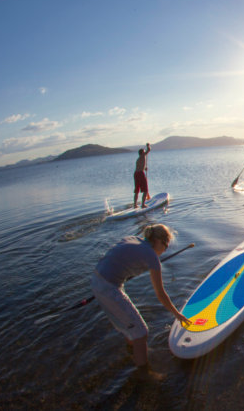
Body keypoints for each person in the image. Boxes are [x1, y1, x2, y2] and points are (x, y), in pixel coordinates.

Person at [90, 224, 191, 378]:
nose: (165, 250)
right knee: (141, 332)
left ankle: (134, 350)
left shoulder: (134, 239)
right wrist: (178, 315)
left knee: (130, 327)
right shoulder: (151, 256)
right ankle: (144, 375)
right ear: (158, 241)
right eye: (166, 245)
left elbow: (117, 259)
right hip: (108, 287)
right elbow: (161, 294)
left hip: (98, 279)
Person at [133, 143, 151, 208]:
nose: (145, 153)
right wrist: (148, 146)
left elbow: (140, 166)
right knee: (146, 190)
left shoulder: (138, 159)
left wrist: (144, 168)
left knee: (137, 190)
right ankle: (143, 205)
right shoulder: (143, 156)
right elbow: (149, 150)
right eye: (144, 152)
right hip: (140, 174)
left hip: (136, 174)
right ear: (142, 153)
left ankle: (135, 205)